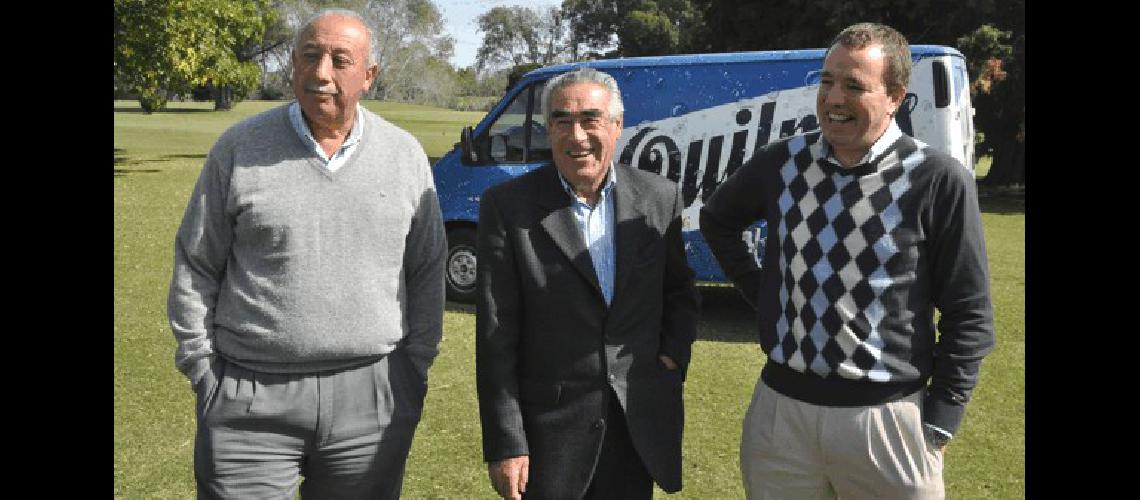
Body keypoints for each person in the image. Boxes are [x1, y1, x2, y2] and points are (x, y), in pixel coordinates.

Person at [700, 22, 995, 499]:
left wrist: (941, 421)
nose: (833, 98)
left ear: (896, 97)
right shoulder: (784, 163)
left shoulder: (938, 179)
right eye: (826, 81)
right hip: (782, 414)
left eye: (854, 86)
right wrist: (765, 295)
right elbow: (717, 219)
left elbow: (970, 314)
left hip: (889, 419)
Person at [166, 8, 446, 498]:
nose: (322, 73)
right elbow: (196, 263)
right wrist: (203, 369)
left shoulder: (404, 156)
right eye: (310, 56)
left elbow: (426, 269)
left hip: (372, 398)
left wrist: (412, 368)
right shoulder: (239, 147)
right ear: (293, 64)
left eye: (341, 60)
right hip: (247, 401)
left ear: (369, 76)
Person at [475, 67, 701, 500]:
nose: (576, 136)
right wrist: (506, 442)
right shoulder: (508, 206)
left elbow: (679, 291)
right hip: (550, 435)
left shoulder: (659, 197)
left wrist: (672, 356)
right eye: (562, 121)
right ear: (548, 130)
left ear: (617, 126)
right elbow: (496, 335)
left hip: (636, 425)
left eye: (590, 120)